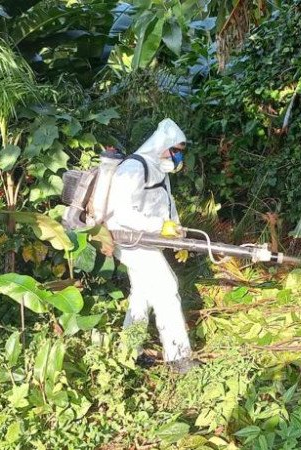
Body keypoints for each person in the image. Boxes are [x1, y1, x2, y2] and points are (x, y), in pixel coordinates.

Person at [106, 118, 200, 373]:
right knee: (167, 289)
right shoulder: (134, 168)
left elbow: (166, 204)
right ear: (162, 144)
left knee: (142, 293)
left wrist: (177, 233)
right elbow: (121, 213)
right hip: (129, 241)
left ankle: (129, 350)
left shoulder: (159, 168)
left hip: (147, 240)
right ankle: (178, 358)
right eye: (175, 150)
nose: (178, 156)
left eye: (181, 152)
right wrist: (160, 227)